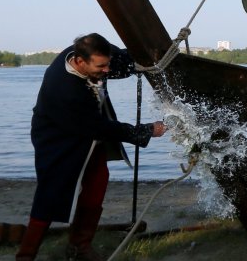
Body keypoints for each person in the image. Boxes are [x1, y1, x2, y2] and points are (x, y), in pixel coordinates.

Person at [16, 33, 166, 261]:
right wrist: (145, 130)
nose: (107, 70)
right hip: (56, 137)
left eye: (107, 63)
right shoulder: (65, 89)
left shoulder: (94, 56)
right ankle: (25, 256)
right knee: (50, 193)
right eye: (101, 66)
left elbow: (121, 62)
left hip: (87, 132)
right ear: (79, 61)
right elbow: (100, 128)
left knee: (97, 181)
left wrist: (148, 59)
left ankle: (80, 247)